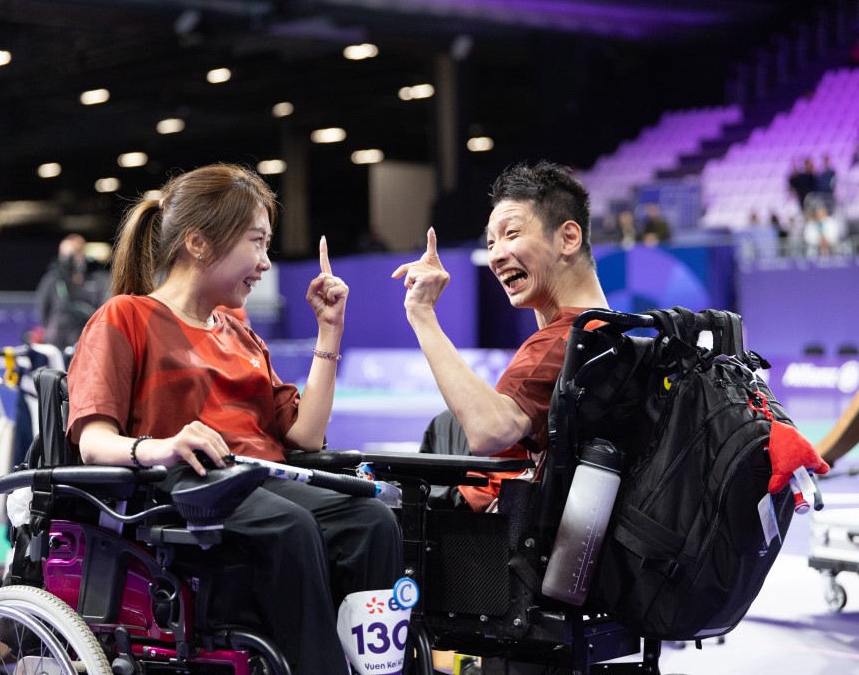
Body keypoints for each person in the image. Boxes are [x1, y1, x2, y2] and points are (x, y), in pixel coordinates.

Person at [65, 163, 402, 674]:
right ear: (198, 243)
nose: (266, 262)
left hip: (261, 478)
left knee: (372, 520)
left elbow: (305, 434)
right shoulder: (124, 318)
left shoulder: (239, 332)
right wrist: (159, 446)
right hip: (185, 487)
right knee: (290, 526)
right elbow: (93, 442)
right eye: (257, 242)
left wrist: (329, 331)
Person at [392, 161, 609, 512]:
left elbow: (489, 430)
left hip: (492, 526)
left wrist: (421, 313)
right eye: (490, 242)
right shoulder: (608, 327)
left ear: (568, 237)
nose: (496, 255)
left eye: (512, 234)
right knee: (448, 423)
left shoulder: (562, 341)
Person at [34, 233, 109, 351]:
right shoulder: (52, 280)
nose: (66, 259)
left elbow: (103, 310)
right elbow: (43, 310)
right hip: (56, 343)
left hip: (86, 342)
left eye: (72, 254)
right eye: (63, 254)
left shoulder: (96, 281)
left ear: (82, 254)